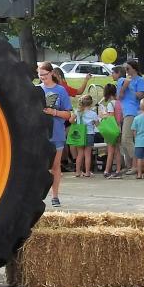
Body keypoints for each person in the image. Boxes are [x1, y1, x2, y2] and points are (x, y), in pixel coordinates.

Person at [38, 62, 73, 207]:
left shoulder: (60, 90)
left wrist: (54, 112)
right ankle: (38, 195)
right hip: (40, 133)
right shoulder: (37, 89)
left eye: (45, 75)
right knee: (40, 165)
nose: (42, 78)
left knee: (55, 165)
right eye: (40, 75)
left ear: (51, 73)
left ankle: (55, 195)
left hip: (56, 132)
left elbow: (68, 114)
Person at [118, 60, 144, 172]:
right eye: (125, 69)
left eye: (128, 69)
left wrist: (130, 88)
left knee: (127, 139)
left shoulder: (140, 80)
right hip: (124, 111)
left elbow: (140, 95)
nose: (126, 71)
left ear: (134, 69)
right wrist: (124, 86)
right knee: (123, 141)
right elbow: (120, 96)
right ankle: (129, 165)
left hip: (133, 111)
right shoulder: (123, 81)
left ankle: (136, 164)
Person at [97, 82, 123, 178]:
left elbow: (110, 116)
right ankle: (118, 169)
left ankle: (107, 170)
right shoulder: (119, 103)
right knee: (117, 150)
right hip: (118, 128)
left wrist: (102, 115)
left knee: (110, 150)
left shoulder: (110, 104)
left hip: (112, 129)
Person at [76, 95, 97, 177]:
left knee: (80, 154)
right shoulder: (93, 114)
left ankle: (77, 171)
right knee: (87, 154)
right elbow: (98, 124)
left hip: (80, 134)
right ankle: (87, 172)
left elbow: (71, 120)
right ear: (91, 103)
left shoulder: (78, 112)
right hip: (89, 134)